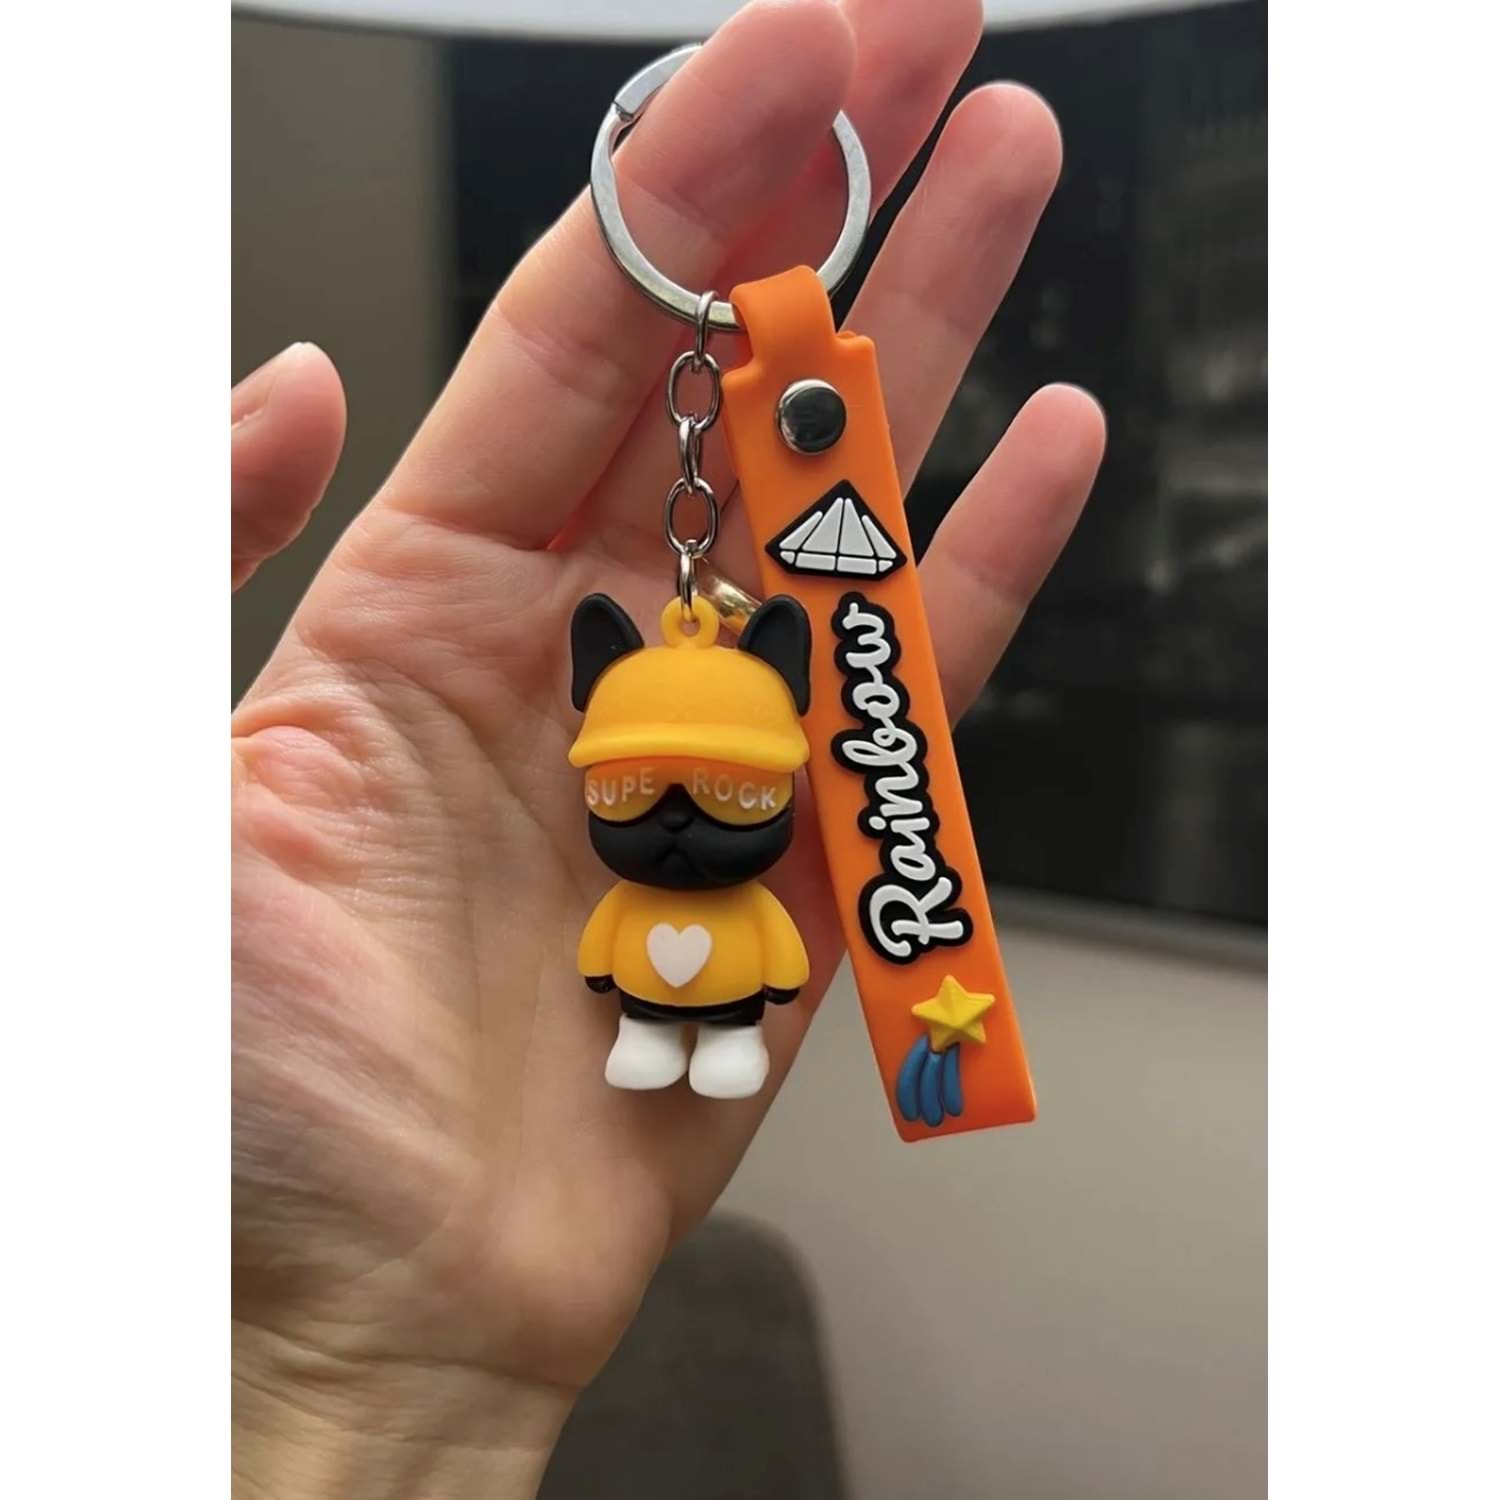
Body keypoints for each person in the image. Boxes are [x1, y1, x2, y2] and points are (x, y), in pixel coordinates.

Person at [231, 0, 1106, 1493]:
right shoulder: (622, 895)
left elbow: (751, 936)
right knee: (655, 1019)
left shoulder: (732, 871)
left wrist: (358, 1388)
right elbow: (615, 947)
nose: (687, 825)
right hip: (621, 1028)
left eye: (734, 791)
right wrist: (324, 1359)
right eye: (640, 792)